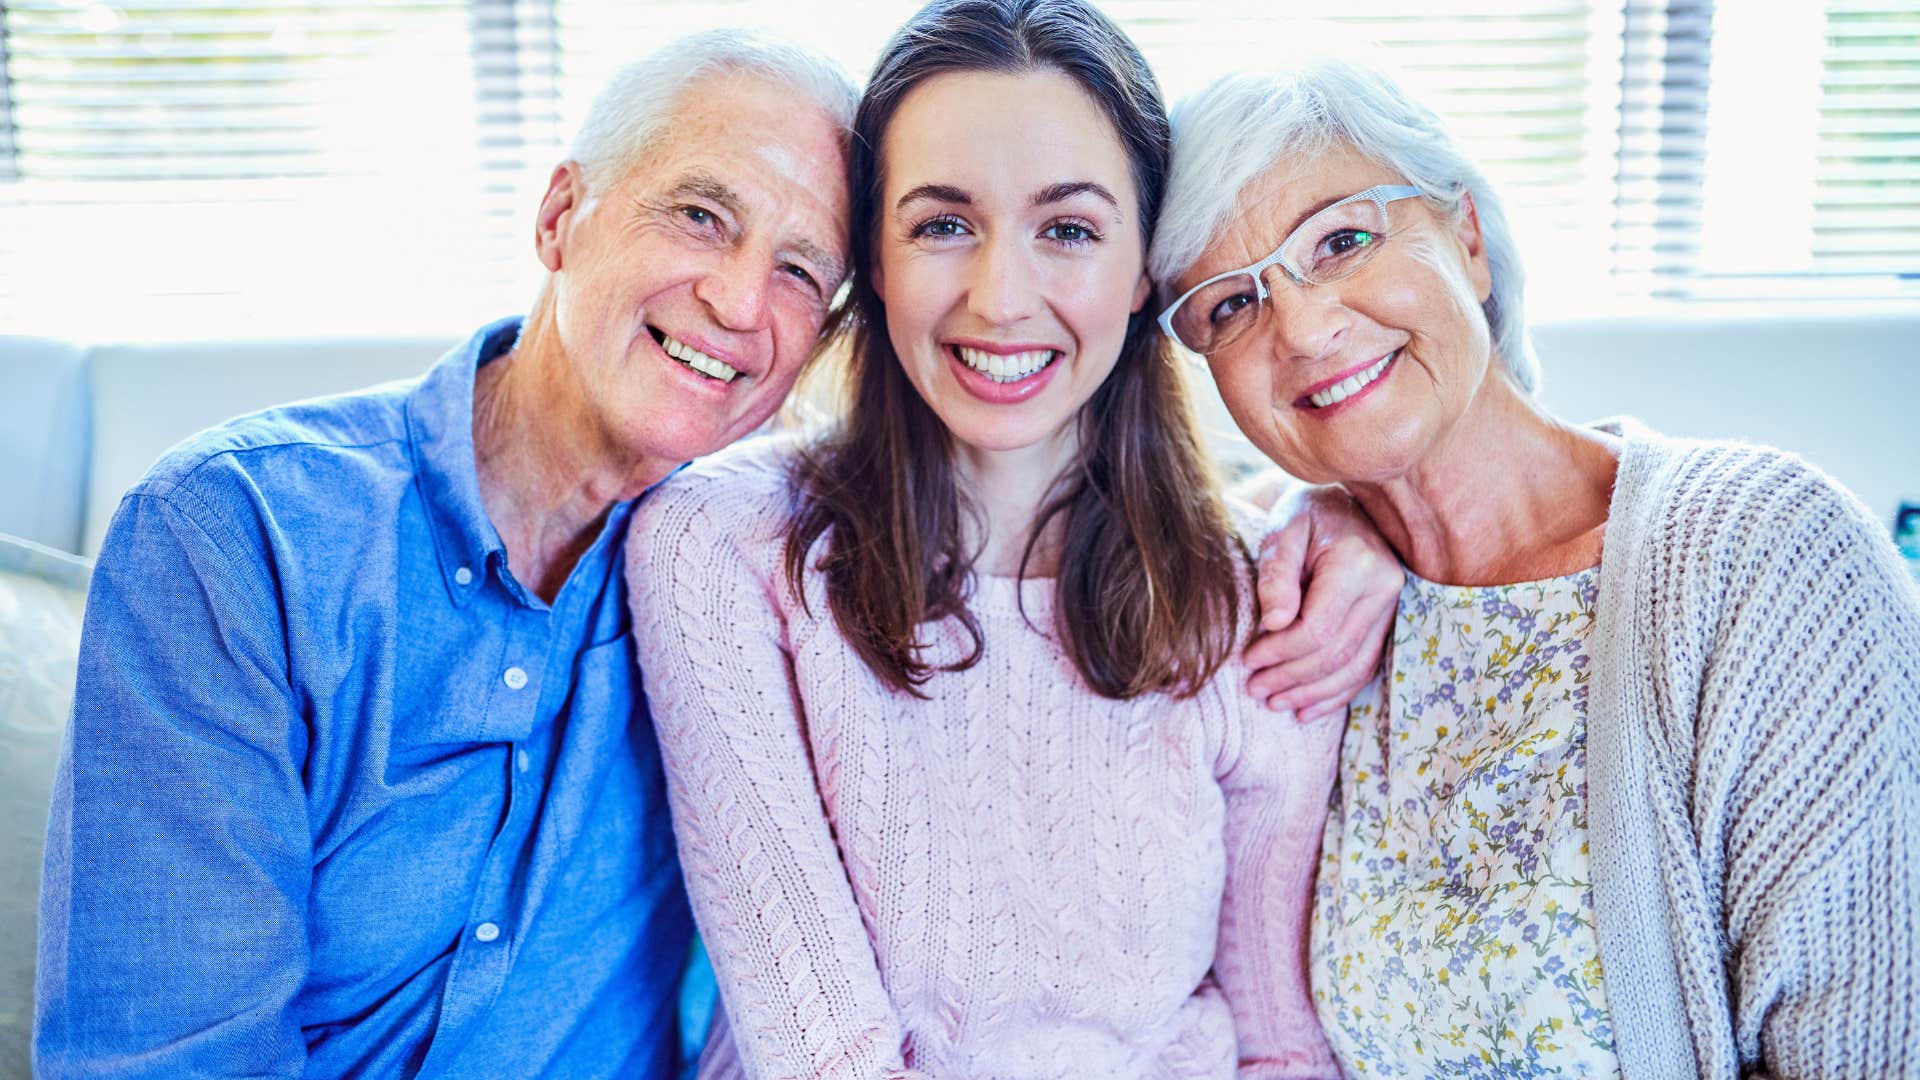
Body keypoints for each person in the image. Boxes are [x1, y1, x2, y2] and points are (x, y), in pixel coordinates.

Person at [35, 32, 857, 1077]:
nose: (741, 306)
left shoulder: (758, 577)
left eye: (799, 271)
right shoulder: (236, 538)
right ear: (560, 216)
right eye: (701, 216)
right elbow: (174, 1059)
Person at [625, 2, 1405, 1076]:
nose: (1000, 298)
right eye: (943, 224)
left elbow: (1280, 1040)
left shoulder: (1257, 596)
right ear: (877, 263)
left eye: (1069, 229)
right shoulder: (722, 551)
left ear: (1143, 275)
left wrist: (1362, 517)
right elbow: (821, 1053)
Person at [1150, 52, 1920, 1078]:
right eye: (1230, 305)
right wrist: (1317, 509)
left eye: (1340, 240)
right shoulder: (1301, 606)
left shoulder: (1764, 554)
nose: (1302, 326)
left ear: (1466, 238)